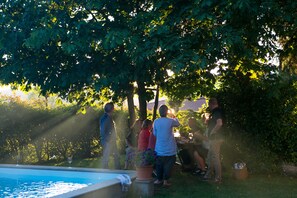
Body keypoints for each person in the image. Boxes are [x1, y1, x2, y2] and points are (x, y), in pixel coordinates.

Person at [153, 105, 180, 187]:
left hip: (159, 148)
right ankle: (165, 181)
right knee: (168, 165)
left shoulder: (156, 121)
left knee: (159, 165)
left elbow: (155, 134)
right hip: (169, 148)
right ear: (166, 112)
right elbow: (178, 124)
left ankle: (158, 179)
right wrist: (174, 116)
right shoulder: (170, 121)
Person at [203, 98, 224, 183]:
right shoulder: (215, 112)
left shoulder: (217, 112)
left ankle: (218, 178)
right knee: (210, 157)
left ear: (211, 104)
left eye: (209, 105)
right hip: (215, 138)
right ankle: (208, 175)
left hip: (216, 138)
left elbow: (219, 123)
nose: (209, 106)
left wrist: (212, 132)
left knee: (215, 158)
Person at [100, 102, 120, 169]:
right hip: (107, 141)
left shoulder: (108, 117)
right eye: (113, 107)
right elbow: (103, 131)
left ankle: (118, 169)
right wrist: (108, 140)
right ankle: (105, 172)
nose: (114, 109)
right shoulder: (105, 118)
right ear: (111, 109)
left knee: (116, 156)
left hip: (111, 140)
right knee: (106, 157)